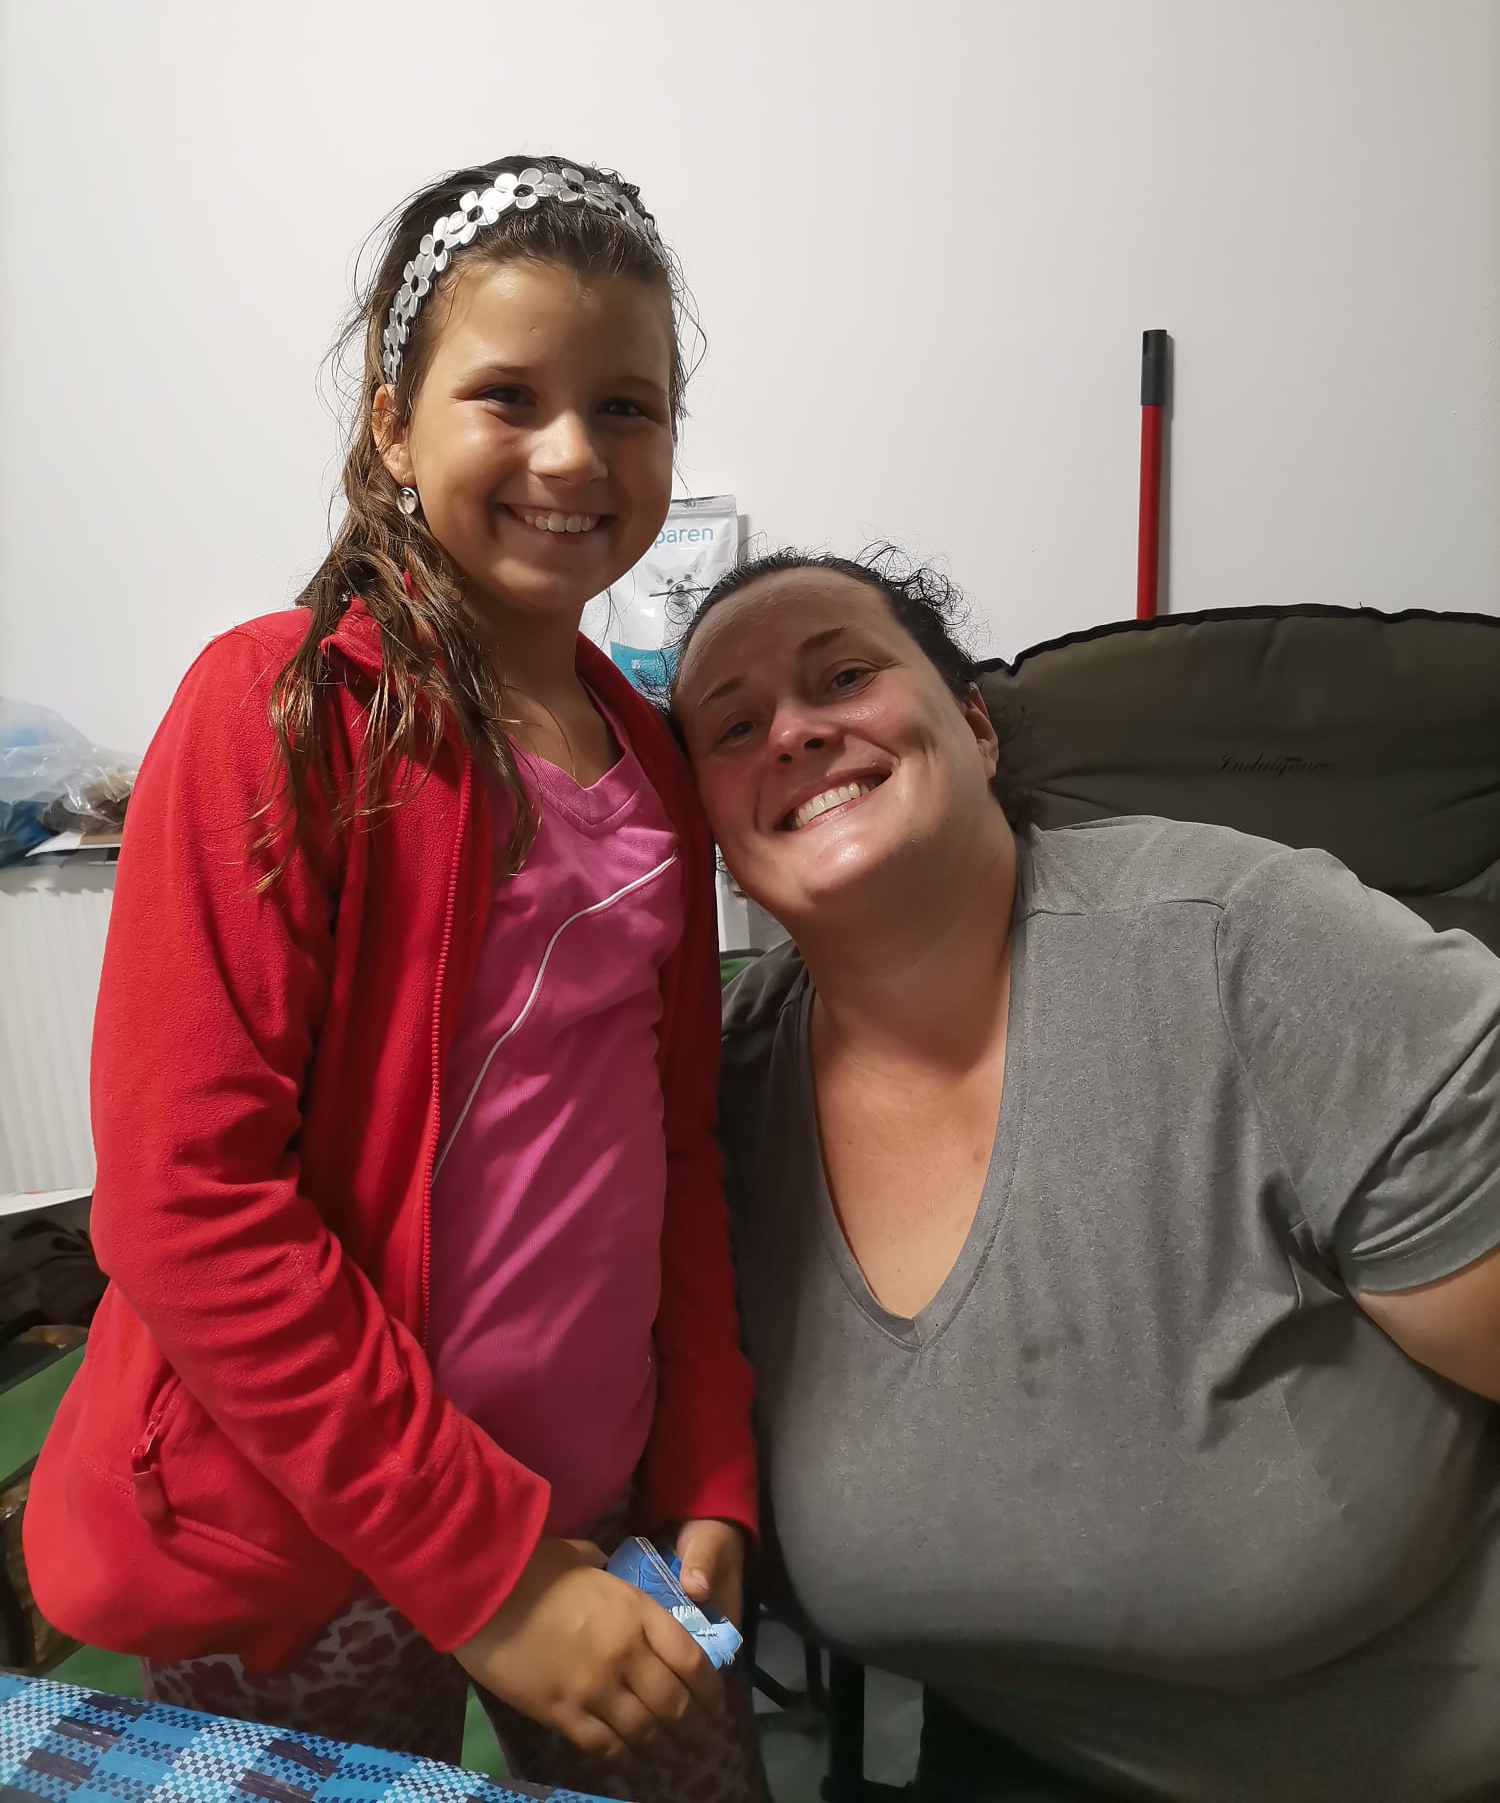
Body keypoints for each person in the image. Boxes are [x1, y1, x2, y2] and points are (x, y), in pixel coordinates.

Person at [26, 156, 768, 1803]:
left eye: (629, 407)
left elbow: (677, 1150)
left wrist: (708, 1464)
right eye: (508, 397)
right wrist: (490, 1575)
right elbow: (189, 1204)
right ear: (391, 430)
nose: (573, 454)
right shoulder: (273, 715)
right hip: (319, 1540)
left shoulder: (654, 762)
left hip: (607, 1510)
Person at [671, 547, 1500, 1803]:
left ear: (976, 725)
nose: (794, 731)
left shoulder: (1252, 950)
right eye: (734, 726)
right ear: (715, 837)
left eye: (842, 676)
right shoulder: (708, 1104)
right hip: (1026, 1759)